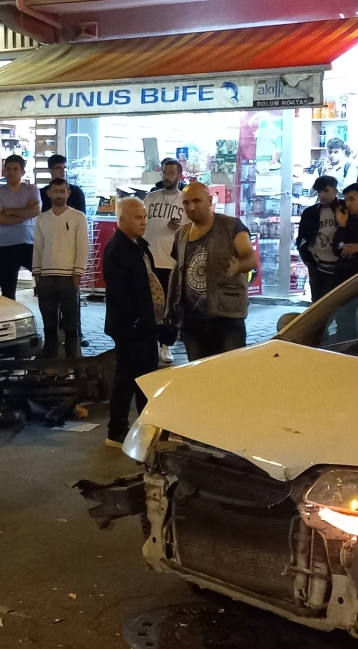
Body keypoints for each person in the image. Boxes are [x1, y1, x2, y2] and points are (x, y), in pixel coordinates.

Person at [167, 182, 255, 360]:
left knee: (230, 369)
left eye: (196, 201)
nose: (191, 207)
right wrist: (169, 308)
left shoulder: (232, 226)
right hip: (191, 322)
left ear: (209, 200)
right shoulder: (181, 234)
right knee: (199, 372)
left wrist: (238, 266)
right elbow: (177, 270)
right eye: (186, 203)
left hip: (226, 317)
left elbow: (250, 258)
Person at [102, 197, 164, 448]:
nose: (143, 222)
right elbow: (119, 293)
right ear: (122, 219)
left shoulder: (139, 245)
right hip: (131, 327)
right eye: (138, 217)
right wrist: (137, 321)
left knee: (145, 378)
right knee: (127, 378)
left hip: (146, 325)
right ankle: (116, 431)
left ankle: (146, 426)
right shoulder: (117, 248)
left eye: (145, 217)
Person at [32, 178, 88, 358]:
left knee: (71, 324)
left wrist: (78, 274)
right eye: (55, 191)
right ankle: (50, 361)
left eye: (62, 191)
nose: (59, 195)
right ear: (49, 193)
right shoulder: (42, 219)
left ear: (68, 193)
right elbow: (38, 247)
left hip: (68, 276)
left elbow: (83, 247)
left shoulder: (78, 217)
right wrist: (37, 273)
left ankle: (73, 362)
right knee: (49, 324)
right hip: (46, 276)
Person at [143, 158, 187, 365]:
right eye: (164, 173)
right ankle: (149, 343)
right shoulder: (151, 198)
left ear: (179, 175)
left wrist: (180, 228)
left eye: (171, 173)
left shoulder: (185, 200)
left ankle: (166, 345)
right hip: (150, 260)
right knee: (149, 305)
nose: (167, 177)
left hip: (171, 261)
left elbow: (192, 229)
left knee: (170, 306)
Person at [0, 154, 41, 300]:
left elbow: (36, 211)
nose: (11, 172)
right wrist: (26, 213)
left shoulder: (32, 190)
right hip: (4, 246)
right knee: (7, 292)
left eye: (15, 169)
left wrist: (9, 212)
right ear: (4, 171)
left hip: (29, 244)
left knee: (44, 280)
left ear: (22, 172)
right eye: (9, 169)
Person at [296, 175, 343, 300]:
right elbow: (302, 237)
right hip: (316, 264)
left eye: (326, 190)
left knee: (336, 301)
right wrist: (307, 258)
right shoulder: (310, 213)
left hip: (339, 265)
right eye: (319, 191)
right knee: (317, 301)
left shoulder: (345, 210)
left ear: (335, 191)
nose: (322, 195)